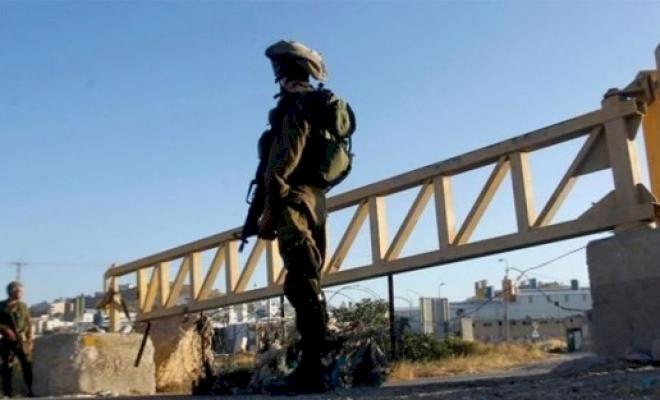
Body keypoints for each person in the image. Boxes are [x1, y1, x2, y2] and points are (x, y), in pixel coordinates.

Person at [256, 40, 354, 393]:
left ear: (283, 72)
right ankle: (318, 362)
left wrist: (269, 211)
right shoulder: (320, 106)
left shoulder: (296, 108)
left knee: (301, 281)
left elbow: (282, 164)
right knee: (310, 278)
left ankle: (313, 369)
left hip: (294, 202)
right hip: (316, 202)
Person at [0, 281, 33, 397]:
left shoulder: (23, 306)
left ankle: (29, 389)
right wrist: (5, 329)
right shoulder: (1, 306)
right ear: (11, 292)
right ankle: (7, 392)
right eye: (18, 291)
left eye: (22, 291)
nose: (21, 293)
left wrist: (30, 339)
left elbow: (29, 323)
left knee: (27, 364)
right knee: (5, 366)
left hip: (22, 340)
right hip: (7, 340)